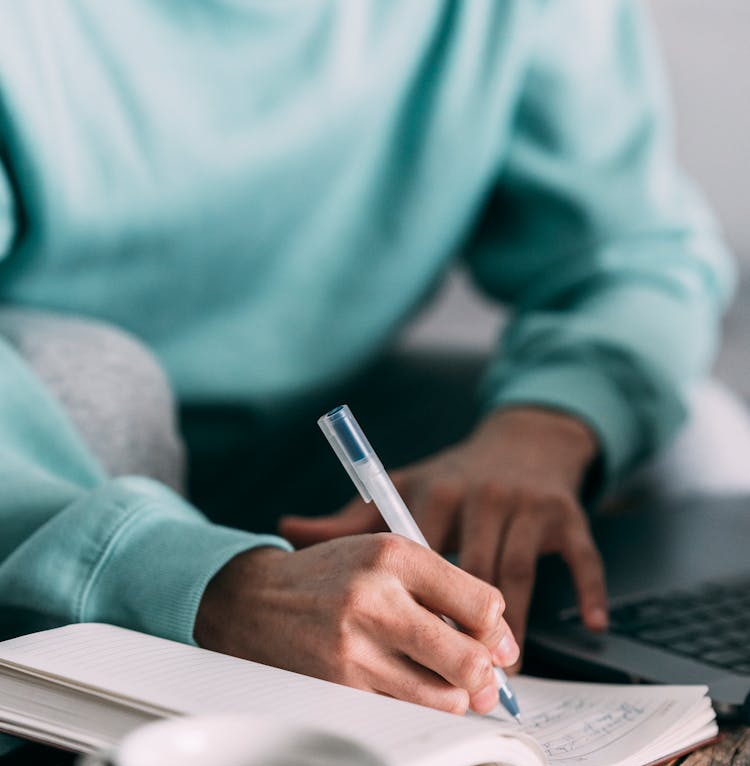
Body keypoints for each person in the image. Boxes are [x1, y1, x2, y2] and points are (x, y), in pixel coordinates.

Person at [0, 1, 743, 717]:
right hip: (59, 462)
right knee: (97, 380)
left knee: (686, 434)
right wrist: (209, 582)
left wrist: (542, 430)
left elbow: (635, 250)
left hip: (314, 435)